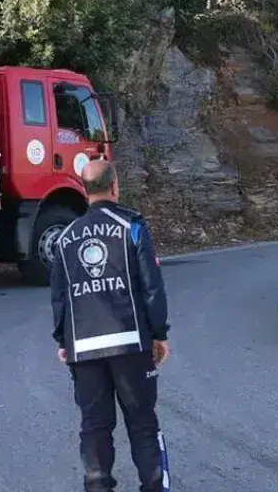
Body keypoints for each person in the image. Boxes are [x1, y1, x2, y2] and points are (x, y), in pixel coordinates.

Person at [50, 159, 171, 492]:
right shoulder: (132, 227)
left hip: (84, 347)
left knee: (94, 427)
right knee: (143, 423)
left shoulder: (65, 238)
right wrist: (159, 334)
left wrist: (62, 340)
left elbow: (59, 296)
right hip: (130, 343)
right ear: (115, 186)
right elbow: (152, 287)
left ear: (84, 190)